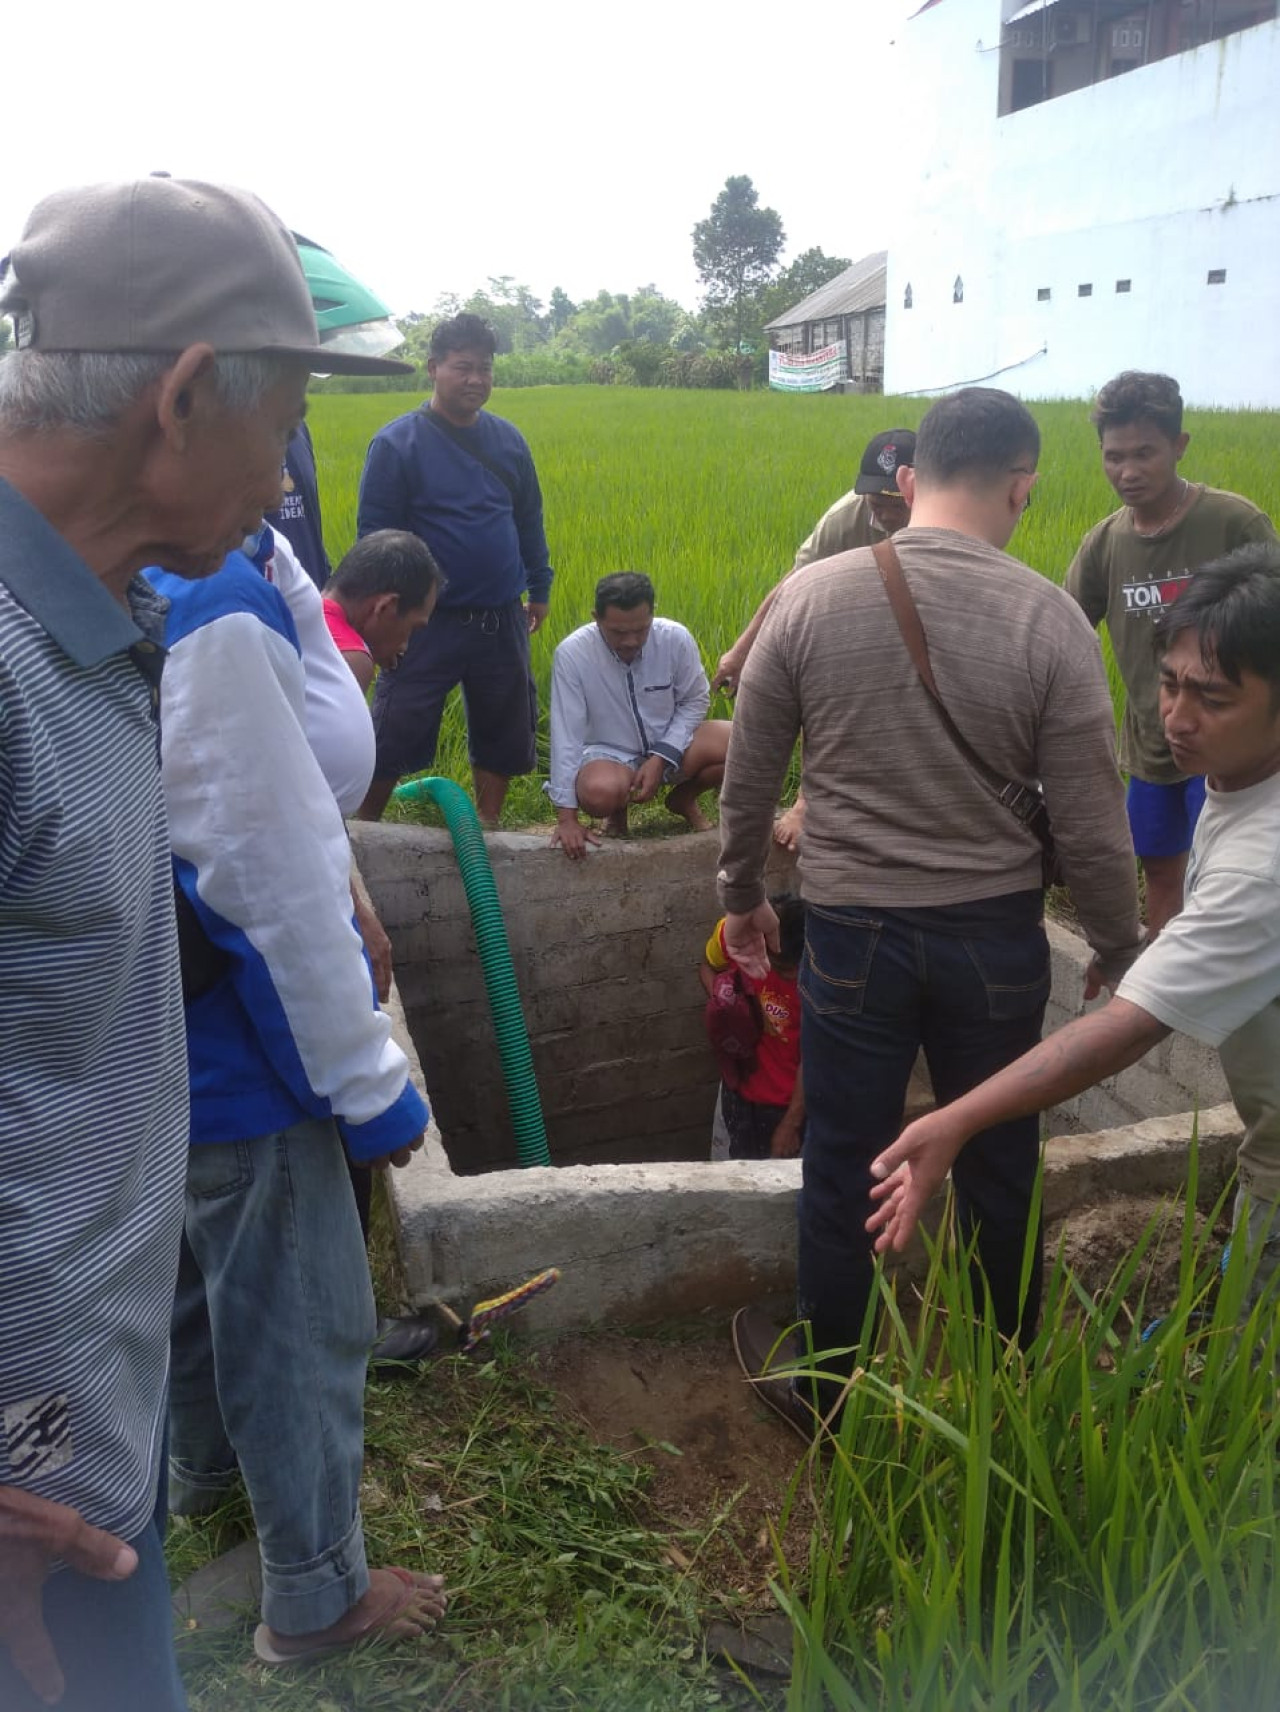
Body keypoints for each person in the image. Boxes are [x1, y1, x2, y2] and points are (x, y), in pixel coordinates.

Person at [0, 175, 405, 1712]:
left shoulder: (103, 626)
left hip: (70, 1450)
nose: (295, 466)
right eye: (291, 407)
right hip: (24, 1497)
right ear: (182, 398)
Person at [717, 387, 1146, 1433]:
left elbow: (749, 780)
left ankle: (825, 1396)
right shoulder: (1046, 614)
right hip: (993, 942)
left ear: (908, 482)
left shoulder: (809, 598)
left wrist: (741, 895)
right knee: (1001, 1157)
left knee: (846, 1157)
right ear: (1020, 485)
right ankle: (1005, 1386)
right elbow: (1090, 819)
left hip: (854, 933)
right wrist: (1114, 940)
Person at [147, 519, 448, 1664]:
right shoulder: (214, 596)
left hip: (177, 1024)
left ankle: (203, 1481)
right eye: (273, 414)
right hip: (246, 1043)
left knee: (196, 1278)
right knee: (301, 1321)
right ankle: (317, 1596)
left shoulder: (193, 565)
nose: (283, 458)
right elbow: (256, 874)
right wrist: (372, 1091)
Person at [869, 544, 1280, 1339]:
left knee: (1246, 1395)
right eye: (1170, 683)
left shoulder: (1264, 865)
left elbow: (1127, 1029)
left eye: (1214, 699)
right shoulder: (1235, 779)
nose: (1177, 717)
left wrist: (956, 1119)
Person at [1066, 371, 1275, 935]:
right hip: (1155, 753)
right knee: (1162, 876)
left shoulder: (1233, 522)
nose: (1127, 472)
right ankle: (1163, 998)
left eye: (1144, 453)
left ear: (1179, 446)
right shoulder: (1104, 544)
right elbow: (1064, 633)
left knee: (1230, 879)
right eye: (1114, 457)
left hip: (1236, 750)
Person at [356, 311, 554, 825]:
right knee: (396, 725)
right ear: (433, 368)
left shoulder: (509, 441)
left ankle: (487, 828)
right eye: (463, 367)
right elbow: (376, 539)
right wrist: (388, 619)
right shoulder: (397, 444)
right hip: (426, 622)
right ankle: (363, 828)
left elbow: (528, 518)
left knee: (505, 725)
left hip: (500, 614)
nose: (476, 379)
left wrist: (540, 586)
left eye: (485, 368)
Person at [713, 427, 916, 850]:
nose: (883, 513)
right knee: (817, 687)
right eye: (875, 501)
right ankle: (808, 800)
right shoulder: (845, 518)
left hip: (918, 628)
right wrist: (741, 650)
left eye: (893, 504)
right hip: (851, 621)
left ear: (915, 487)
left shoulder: (943, 516)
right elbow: (794, 585)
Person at [547, 571, 732, 858]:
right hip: (611, 752)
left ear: (652, 614)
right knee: (599, 793)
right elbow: (566, 733)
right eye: (619, 632)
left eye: (641, 630)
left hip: (673, 743)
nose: (631, 641)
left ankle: (683, 798)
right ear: (596, 618)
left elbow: (695, 700)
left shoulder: (674, 638)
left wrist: (661, 757)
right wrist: (566, 819)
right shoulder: (573, 654)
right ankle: (617, 812)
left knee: (744, 742)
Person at [701, 892, 806, 1160]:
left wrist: (791, 1124)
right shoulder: (735, 934)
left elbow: (817, 1058)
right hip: (736, 1089)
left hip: (785, 1105)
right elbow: (707, 967)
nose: (769, 970)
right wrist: (728, 1006)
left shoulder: (818, 983)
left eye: (783, 969)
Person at [324, 528, 443, 693]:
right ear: (387, 606)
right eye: (412, 629)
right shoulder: (352, 658)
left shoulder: (291, 609)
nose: (404, 648)